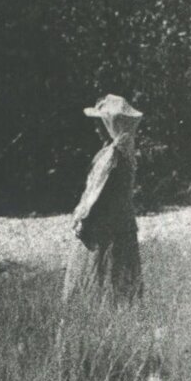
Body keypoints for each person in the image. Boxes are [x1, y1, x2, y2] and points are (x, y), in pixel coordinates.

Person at [64, 94, 144, 305]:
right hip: (122, 225)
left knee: (98, 277)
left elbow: (96, 193)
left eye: (101, 123)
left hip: (104, 228)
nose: (97, 128)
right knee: (119, 280)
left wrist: (82, 219)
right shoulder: (125, 151)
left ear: (110, 124)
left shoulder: (112, 155)